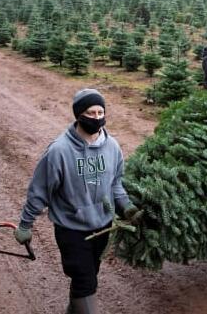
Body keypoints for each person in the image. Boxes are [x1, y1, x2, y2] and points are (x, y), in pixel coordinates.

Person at [14, 89, 143, 314]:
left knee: (89, 277)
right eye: (90, 112)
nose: (96, 117)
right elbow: (40, 190)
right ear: (78, 115)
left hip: (102, 227)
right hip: (71, 229)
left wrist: (127, 207)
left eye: (100, 112)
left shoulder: (112, 147)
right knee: (86, 282)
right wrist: (25, 224)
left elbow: (116, 184)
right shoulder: (59, 151)